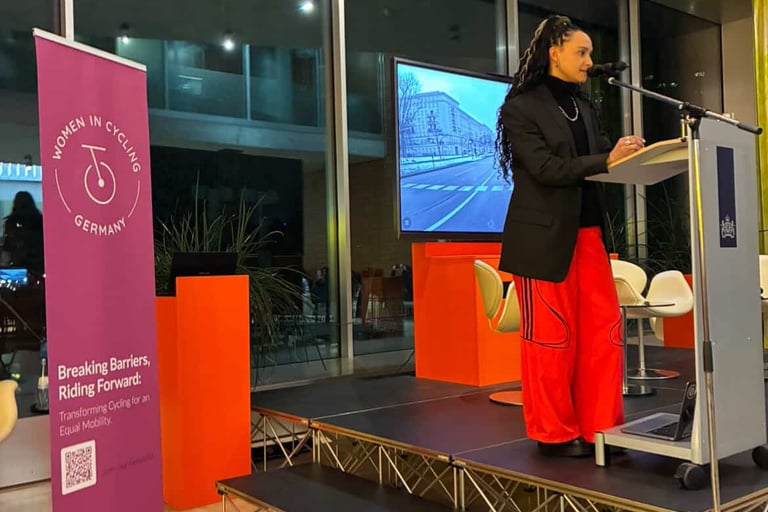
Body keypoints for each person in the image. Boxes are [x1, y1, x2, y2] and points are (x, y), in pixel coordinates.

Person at [495, 15, 644, 457]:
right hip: (542, 240)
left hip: (589, 233)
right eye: (581, 52)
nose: (588, 61)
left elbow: (599, 161)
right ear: (554, 52)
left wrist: (628, 158)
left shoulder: (586, 106)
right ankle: (553, 433)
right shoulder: (520, 108)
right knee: (551, 339)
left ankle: (601, 428)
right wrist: (605, 160)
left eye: (590, 53)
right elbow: (545, 169)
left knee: (603, 334)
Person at [2, 191, 44, 278]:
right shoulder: (40, 221)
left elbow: (7, 245)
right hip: (38, 264)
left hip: (18, 265)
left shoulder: (11, 222)